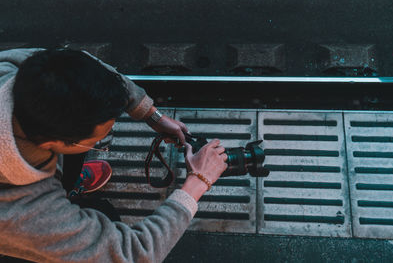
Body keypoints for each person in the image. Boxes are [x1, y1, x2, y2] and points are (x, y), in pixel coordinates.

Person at [0, 48, 228, 262]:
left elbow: (84, 66)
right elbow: (133, 253)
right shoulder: (26, 211)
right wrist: (198, 180)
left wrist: (151, 114)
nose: (105, 136)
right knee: (103, 214)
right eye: (97, 140)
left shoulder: (14, 68)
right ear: (50, 143)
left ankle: (67, 188)